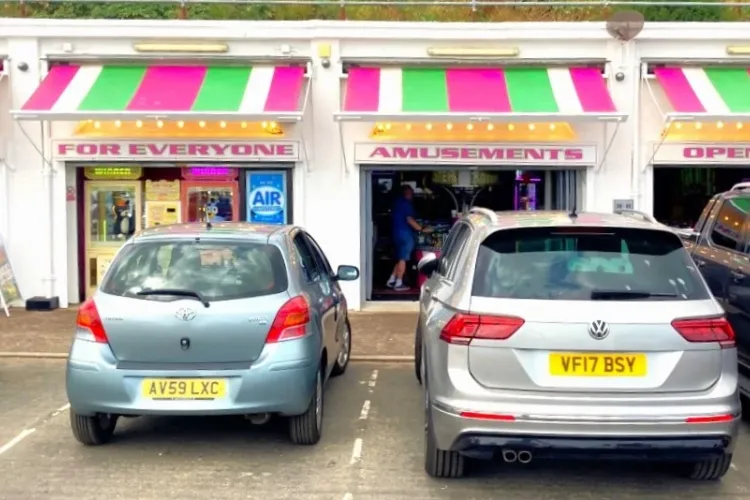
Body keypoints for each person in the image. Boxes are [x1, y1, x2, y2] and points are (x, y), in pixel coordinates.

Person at [387, 184, 432, 291]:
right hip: (405, 235)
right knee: (403, 259)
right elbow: (409, 219)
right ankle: (399, 283)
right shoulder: (406, 204)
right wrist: (421, 228)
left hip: (397, 233)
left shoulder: (397, 202)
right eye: (411, 193)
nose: (412, 196)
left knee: (400, 257)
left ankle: (391, 279)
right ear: (406, 193)